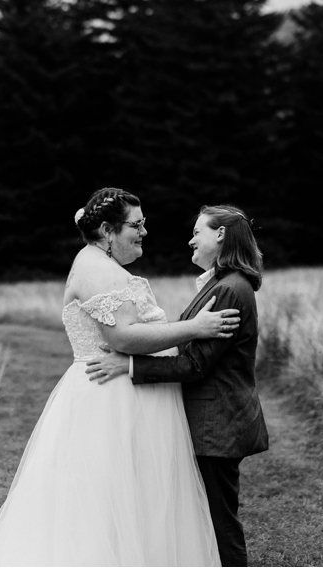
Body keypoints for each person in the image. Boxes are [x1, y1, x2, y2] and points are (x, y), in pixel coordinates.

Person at [0, 188, 241, 566]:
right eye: (137, 225)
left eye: (144, 223)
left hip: (127, 394)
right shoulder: (98, 269)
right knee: (108, 502)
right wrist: (195, 328)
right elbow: (123, 337)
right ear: (109, 231)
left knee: (135, 500)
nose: (144, 232)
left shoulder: (102, 265)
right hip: (110, 400)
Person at [86, 204, 269, 567]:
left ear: (220, 235)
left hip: (217, 424)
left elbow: (196, 363)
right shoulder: (221, 283)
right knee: (204, 515)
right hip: (213, 421)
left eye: (197, 232)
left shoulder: (231, 289)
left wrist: (130, 364)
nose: (190, 240)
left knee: (218, 520)